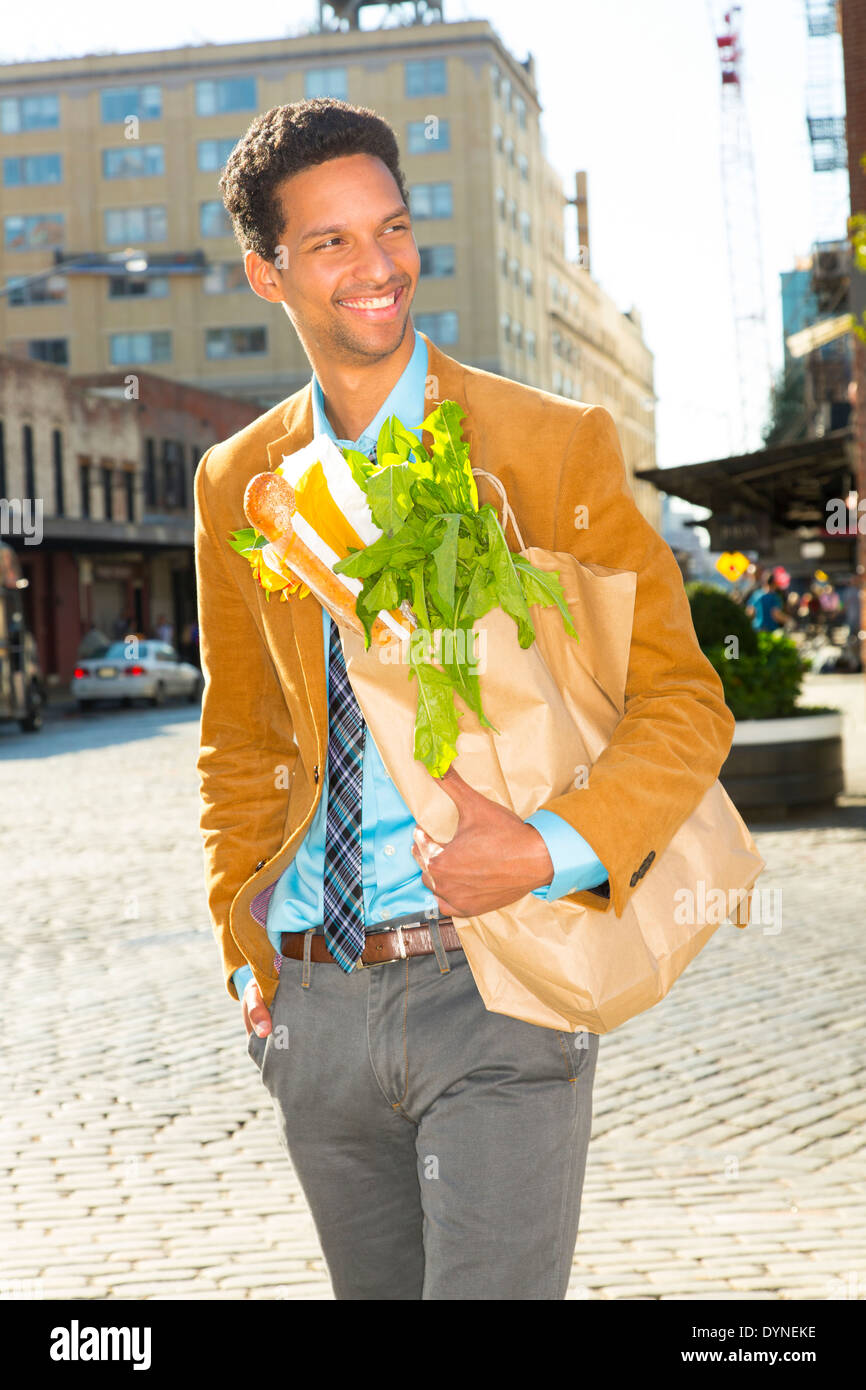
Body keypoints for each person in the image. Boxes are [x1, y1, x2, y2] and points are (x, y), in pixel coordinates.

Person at [193, 99, 735, 1301]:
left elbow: (682, 701)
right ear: (265, 272)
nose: (378, 265)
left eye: (388, 228)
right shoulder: (237, 482)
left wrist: (543, 850)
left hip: (496, 986)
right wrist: (249, 968)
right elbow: (240, 736)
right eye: (330, 242)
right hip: (315, 1006)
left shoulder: (544, 445)